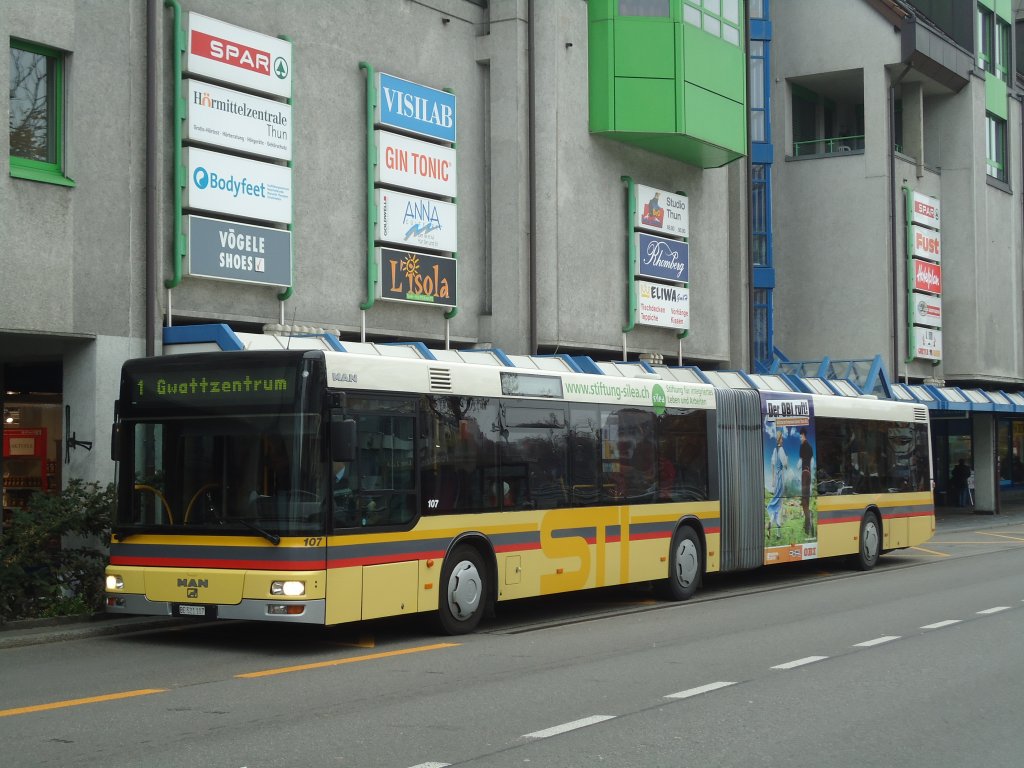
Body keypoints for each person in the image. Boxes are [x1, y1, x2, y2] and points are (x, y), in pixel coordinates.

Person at [766, 429, 788, 539]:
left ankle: (771, 522)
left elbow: (772, 465)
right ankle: (778, 534)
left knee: (776, 505)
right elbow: (786, 465)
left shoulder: (775, 450)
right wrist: (787, 461)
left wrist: (773, 479)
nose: (783, 440)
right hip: (781, 479)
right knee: (779, 506)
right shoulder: (781, 450)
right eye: (782, 438)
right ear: (780, 439)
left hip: (776, 479)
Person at [799, 428, 814, 536]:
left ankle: (807, 525)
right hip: (809, 473)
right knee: (807, 500)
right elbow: (811, 460)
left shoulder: (803, 446)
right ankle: (807, 526)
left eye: (800, 436)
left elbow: (801, 459)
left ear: (803, 435)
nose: (800, 438)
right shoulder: (810, 447)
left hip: (804, 473)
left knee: (804, 500)